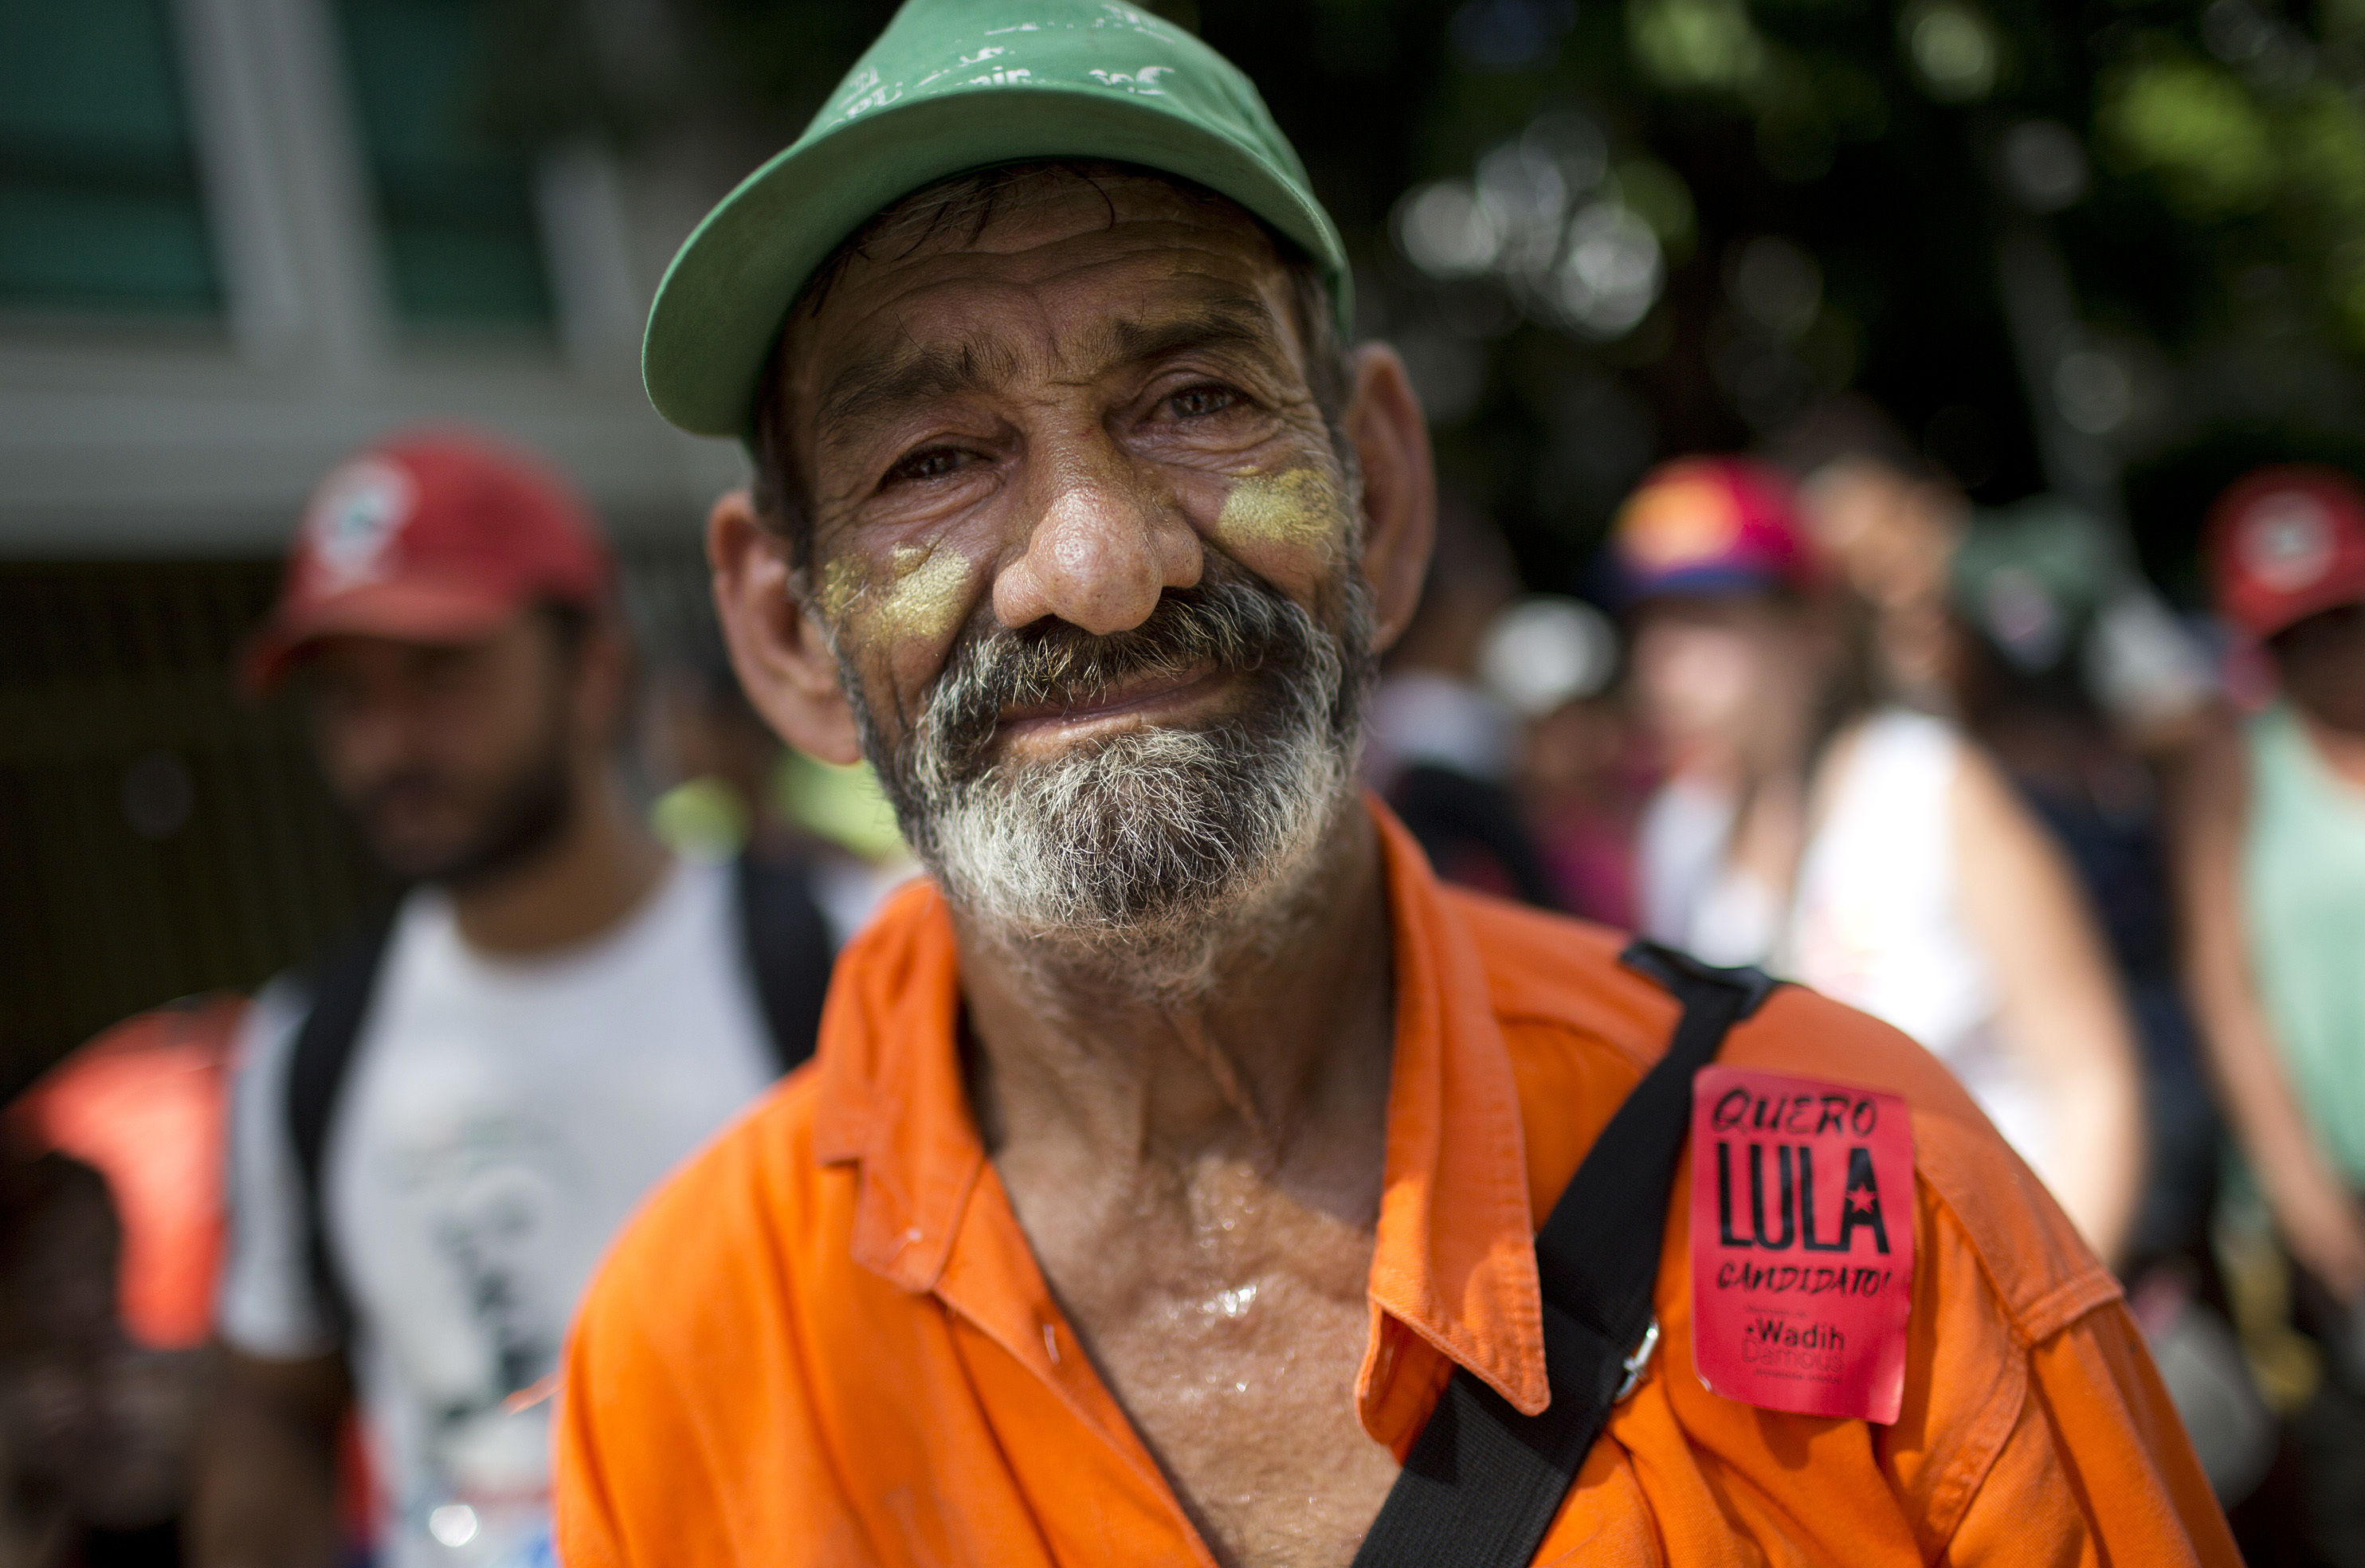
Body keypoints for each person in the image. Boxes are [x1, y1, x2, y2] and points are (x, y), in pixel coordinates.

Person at [554, 4, 2234, 1563]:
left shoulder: (1850, 1177)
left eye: (1193, 400)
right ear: (785, 635)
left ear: (1379, 491)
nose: (1096, 568)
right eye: (934, 461)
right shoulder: (691, 1350)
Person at [192, 432, 834, 1568]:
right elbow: (278, 1407)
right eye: (347, 698)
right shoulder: (304, 1051)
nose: (386, 743)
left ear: (592, 670)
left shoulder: (837, 959)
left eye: (440, 675)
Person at [1622, 457, 2146, 1268]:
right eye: (1648, 623)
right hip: (1833, 1348)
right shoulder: (1678, 838)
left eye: (1705, 619)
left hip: (2008, 1286)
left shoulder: (1927, 785)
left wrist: (2062, 1326)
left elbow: (2091, 1083)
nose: (1662, 662)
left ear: (1811, 632)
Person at [2176, 465, 2365, 1562]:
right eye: (2300, 635)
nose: (2331, 656)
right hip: (2325, 1219)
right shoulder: (2232, 766)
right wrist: (2317, 1217)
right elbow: (2226, 991)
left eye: (2345, 621)